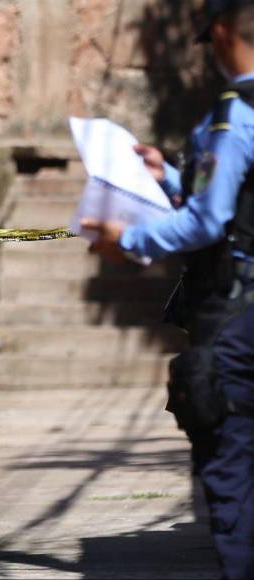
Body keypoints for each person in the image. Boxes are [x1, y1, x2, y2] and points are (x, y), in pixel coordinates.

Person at [83, 2, 254, 576]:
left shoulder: (235, 115)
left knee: (232, 469)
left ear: (226, 34)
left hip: (237, 310)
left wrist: (130, 238)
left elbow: (211, 221)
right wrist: (173, 177)